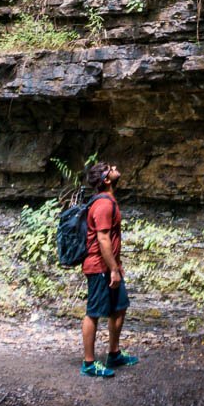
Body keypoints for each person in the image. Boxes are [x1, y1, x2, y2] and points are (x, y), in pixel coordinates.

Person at [79, 161, 137, 378]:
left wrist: (116, 266)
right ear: (106, 179)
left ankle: (114, 353)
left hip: (110, 265)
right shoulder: (103, 205)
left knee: (119, 307)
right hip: (99, 267)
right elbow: (103, 239)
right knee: (94, 312)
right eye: (110, 168)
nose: (114, 166)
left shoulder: (108, 201)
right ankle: (89, 363)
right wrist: (113, 269)